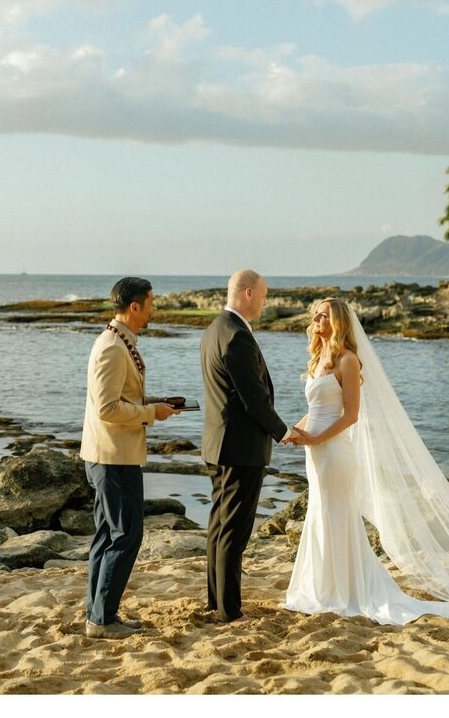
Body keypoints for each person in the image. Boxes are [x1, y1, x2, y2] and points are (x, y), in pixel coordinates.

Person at [284, 298, 449, 624]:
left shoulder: (348, 360)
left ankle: (341, 591)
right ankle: (321, 586)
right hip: (315, 453)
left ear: (337, 322)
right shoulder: (320, 357)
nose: (316, 318)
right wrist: (296, 430)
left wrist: (318, 437)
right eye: (316, 314)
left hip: (335, 453)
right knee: (320, 513)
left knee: (336, 515)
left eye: (323, 315)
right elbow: (318, 410)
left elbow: (350, 415)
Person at [80, 277, 180, 639]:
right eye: (151, 302)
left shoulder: (119, 342)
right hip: (112, 456)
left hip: (112, 454)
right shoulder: (111, 346)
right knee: (127, 535)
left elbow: (119, 397)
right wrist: (150, 412)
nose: (154, 309)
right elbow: (107, 407)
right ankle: (102, 620)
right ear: (135, 307)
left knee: (108, 534)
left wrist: (154, 405)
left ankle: (97, 614)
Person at [199, 269, 295, 623]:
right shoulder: (237, 336)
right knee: (234, 533)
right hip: (239, 449)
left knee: (219, 526)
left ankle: (216, 601)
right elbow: (253, 401)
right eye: (265, 296)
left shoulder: (214, 330)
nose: (267, 303)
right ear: (249, 293)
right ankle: (229, 610)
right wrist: (283, 432)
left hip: (218, 444)